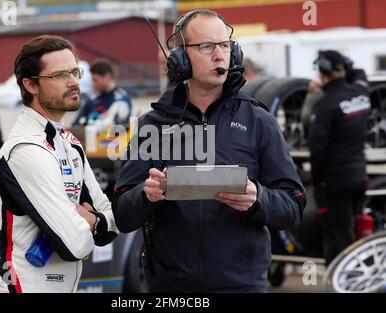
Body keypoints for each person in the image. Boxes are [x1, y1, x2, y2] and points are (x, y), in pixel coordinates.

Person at [112, 9, 306, 292]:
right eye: (206, 46)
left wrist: (258, 198)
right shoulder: (151, 126)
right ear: (180, 59)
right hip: (170, 287)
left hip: (241, 286)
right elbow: (123, 215)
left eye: (225, 45)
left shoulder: (259, 122)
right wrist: (147, 194)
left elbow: (293, 207)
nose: (219, 55)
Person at [0, 35, 118, 293]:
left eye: (75, 71)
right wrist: (94, 222)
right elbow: (75, 245)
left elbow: (111, 221)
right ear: (31, 85)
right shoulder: (25, 149)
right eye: (60, 75)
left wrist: (94, 222)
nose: (74, 82)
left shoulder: (69, 142)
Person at [309, 50, 371, 265]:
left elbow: (316, 150)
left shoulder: (324, 105)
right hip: (360, 178)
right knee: (360, 230)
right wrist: (344, 64)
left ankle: (340, 285)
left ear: (321, 72)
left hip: (335, 182)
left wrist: (316, 184)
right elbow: (360, 72)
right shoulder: (362, 91)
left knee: (339, 237)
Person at [71, 60, 132, 133]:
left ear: (107, 77)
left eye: (95, 80)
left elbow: (117, 127)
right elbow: (75, 125)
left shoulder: (121, 99)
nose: (93, 84)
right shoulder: (93, 99)